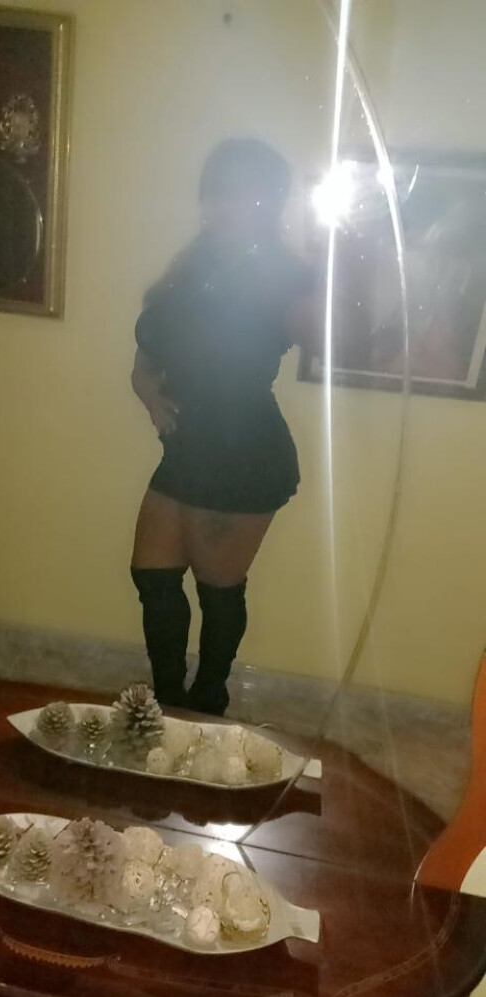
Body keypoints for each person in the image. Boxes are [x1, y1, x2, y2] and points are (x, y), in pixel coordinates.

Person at [131, 138, 319, 716]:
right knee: (153, 579)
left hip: (243, 456)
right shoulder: (190, 267)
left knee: (217, 590)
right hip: (186, 450)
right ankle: (166, 707)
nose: (226, 203)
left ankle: (207, 702)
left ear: (269, 202)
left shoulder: (286, 277)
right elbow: (147, 357)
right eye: (217, 189)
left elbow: (333, 342)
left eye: (244, 192)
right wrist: (148, 393)